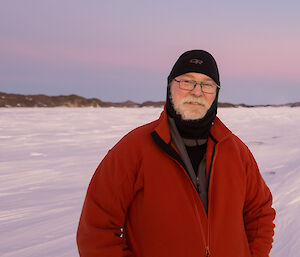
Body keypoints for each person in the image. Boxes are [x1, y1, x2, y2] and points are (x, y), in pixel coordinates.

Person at [77, 50, 276, 257]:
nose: (197, 92)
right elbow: (96, 231)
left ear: (216, 93)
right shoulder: (133, 149)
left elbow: (260, 214)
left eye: (207, 84)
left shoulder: (236, 151)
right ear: (169, 86)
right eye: (187, 82)